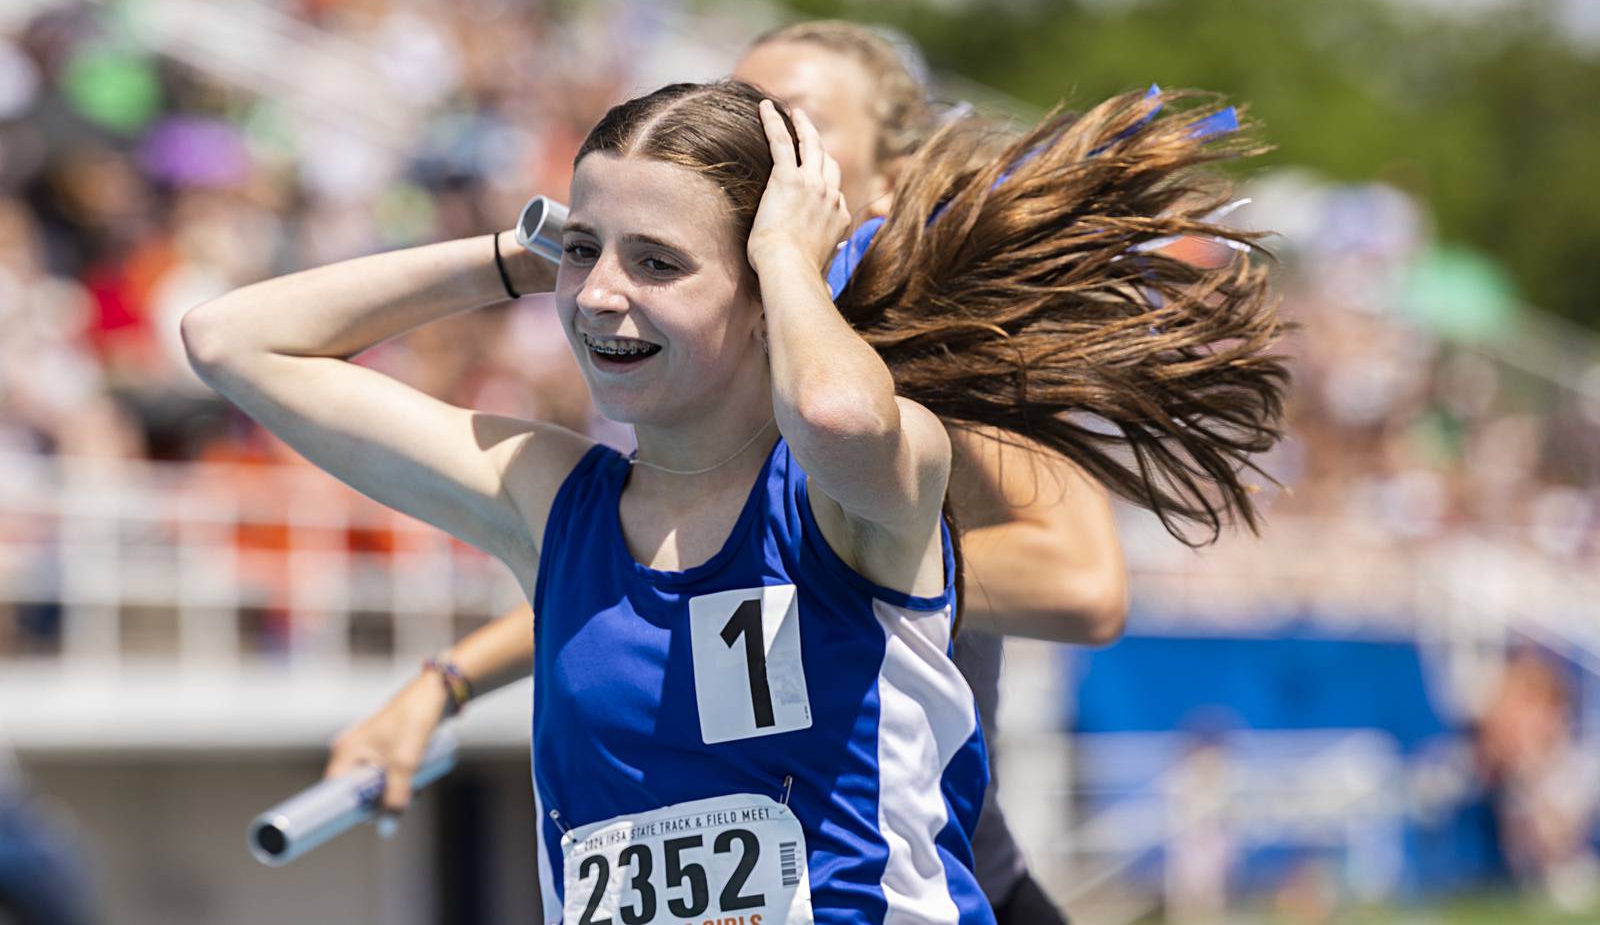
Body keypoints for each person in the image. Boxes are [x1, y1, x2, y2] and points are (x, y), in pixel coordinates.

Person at [182, 74, 1286, 922]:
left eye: (658, 263)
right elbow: (232, 341)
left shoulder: (857, 485)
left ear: (763, 290)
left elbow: (838, 412)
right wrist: (518, 253)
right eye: (586, 252)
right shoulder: (551, 498)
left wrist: (794, 261)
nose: (600, 295)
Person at [325, 21, 1128, 923]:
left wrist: (844, 569)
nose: (756, 145)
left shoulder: (947, 366)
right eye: (739, 108)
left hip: (948, 866)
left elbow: (1082, 585)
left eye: (793, 124)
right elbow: (658, 581)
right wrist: (450, 678)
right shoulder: (686, 345)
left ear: (887, 180)